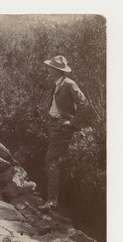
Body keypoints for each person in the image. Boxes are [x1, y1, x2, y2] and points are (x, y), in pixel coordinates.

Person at [39, 55, 91, 211]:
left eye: (50, 67)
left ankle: (52, 201)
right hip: (54, 125)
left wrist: (72, 124)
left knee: (51, 161)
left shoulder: (69, 84)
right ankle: (53, 198)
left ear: (56, 70)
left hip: (62, 127)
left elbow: (85, 105)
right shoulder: (57, 84)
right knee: (55, 161)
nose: (48, 69)